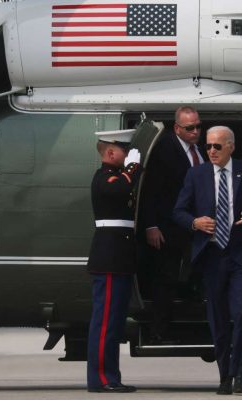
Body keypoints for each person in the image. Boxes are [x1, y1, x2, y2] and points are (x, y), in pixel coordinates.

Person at [173, 126, 242, 394]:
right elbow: (178, 211)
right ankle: (224, 375)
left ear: (231, 147)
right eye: (208, 146)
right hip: (212, 255)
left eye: (217, 146)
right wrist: (195, 222)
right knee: (218, 316)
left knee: (241, 311)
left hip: (240, 253)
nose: (211, 151)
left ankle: (239, 372)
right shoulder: (196, 174)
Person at [141, 106, 204, 344]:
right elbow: (150, 190)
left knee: (193, 272)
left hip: (193, 225)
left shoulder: (199, 150)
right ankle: (159, 330)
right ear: (177, 128)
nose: (195, 131)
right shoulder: (165, 150)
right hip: (168, 225)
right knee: (165, 277)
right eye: (190, 128)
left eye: (198, 126)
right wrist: (151, 225)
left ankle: (191, 321)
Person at [86, 129, 141, 393]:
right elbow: (121, 188)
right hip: (109, 258)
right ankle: (101, 379)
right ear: (110, 152)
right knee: (105, 322)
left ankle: (111, 377)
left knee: (114, 323)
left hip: (119, 258)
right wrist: (132, 168)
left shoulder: (117, 176)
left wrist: (131, 169)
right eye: (123, 150)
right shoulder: (105, 178)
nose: (127, 155)